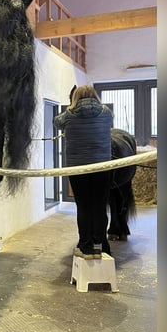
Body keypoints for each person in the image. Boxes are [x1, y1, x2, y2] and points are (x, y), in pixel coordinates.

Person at [54, 85, 114, 260]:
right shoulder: (106, 112)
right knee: (100, 206)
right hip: (102, 168)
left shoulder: (68, 115)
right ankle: (101, 244)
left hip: (78, 169)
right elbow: (110, 122)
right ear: (95, 95)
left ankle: (86, 246)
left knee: (84, 207)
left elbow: (56, 123)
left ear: (75, 97)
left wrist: (70, 108)